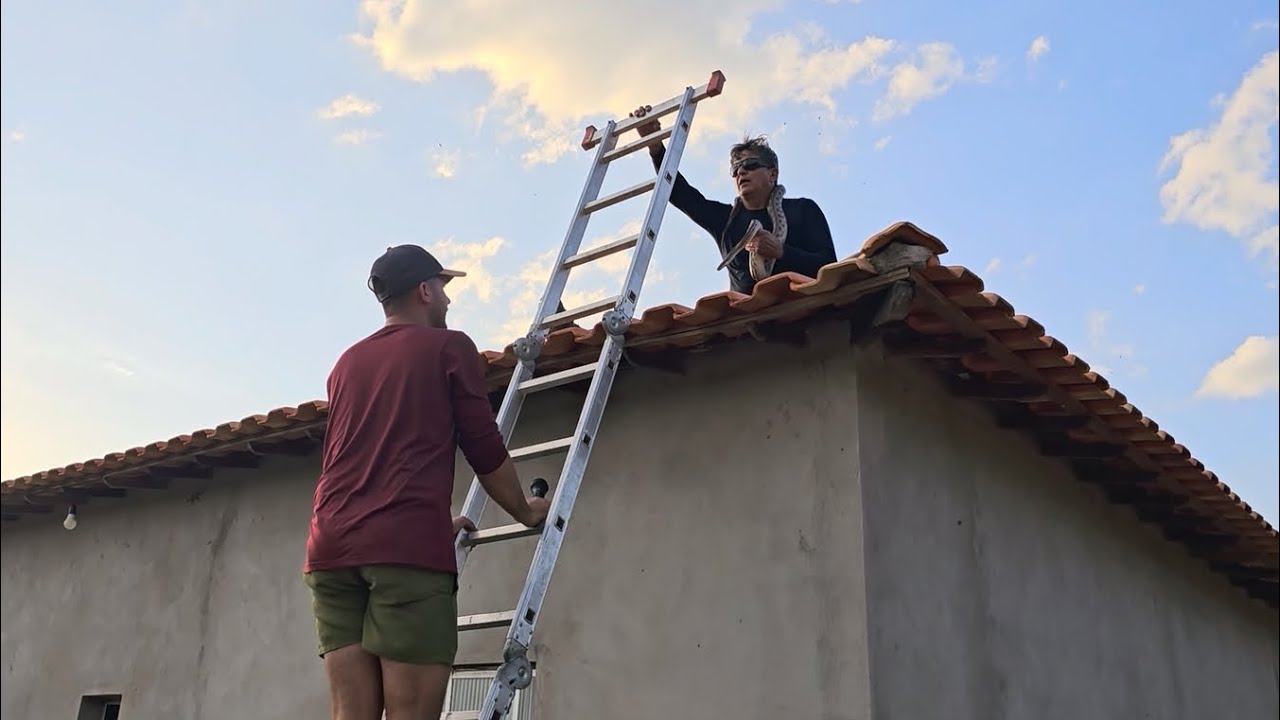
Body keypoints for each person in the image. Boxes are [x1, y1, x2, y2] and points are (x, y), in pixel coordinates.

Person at [302, 244, 552, 720]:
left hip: (330, 552)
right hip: (405, 555)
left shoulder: (346, 363)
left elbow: (356, 459)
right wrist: (523, 509)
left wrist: (433, 521)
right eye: (442, 288)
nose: (448, 301)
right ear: (424, 290)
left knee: (351, 714)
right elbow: (482, 443)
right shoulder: (449, 347)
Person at [631, 105, 838, 295]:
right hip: (749, 324)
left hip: (805, 313)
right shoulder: (726, 221)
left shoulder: (802, 210)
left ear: (772, 175)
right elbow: (682, 195)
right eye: (735, 169)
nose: (741, 172)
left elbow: (829, 266)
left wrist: (781, 252)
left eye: (750, 165)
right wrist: (656, 149)